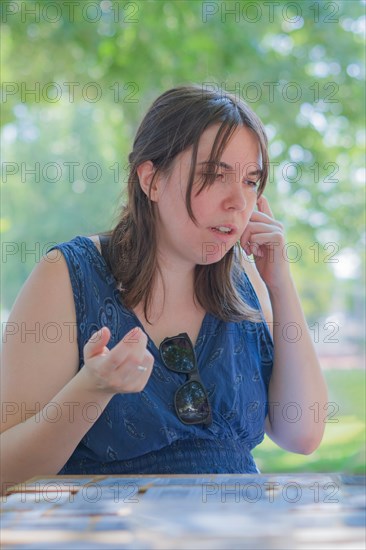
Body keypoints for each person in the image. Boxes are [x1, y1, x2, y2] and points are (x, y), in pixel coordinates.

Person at [1, 85, 328, 486]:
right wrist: (92, 389)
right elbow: (7, 473)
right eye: (214, 174)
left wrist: (280, 283)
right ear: (151, 179)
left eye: (251, 181)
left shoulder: (248, 287)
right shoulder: (67, 275)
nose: (238, 202)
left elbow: (303, 434)